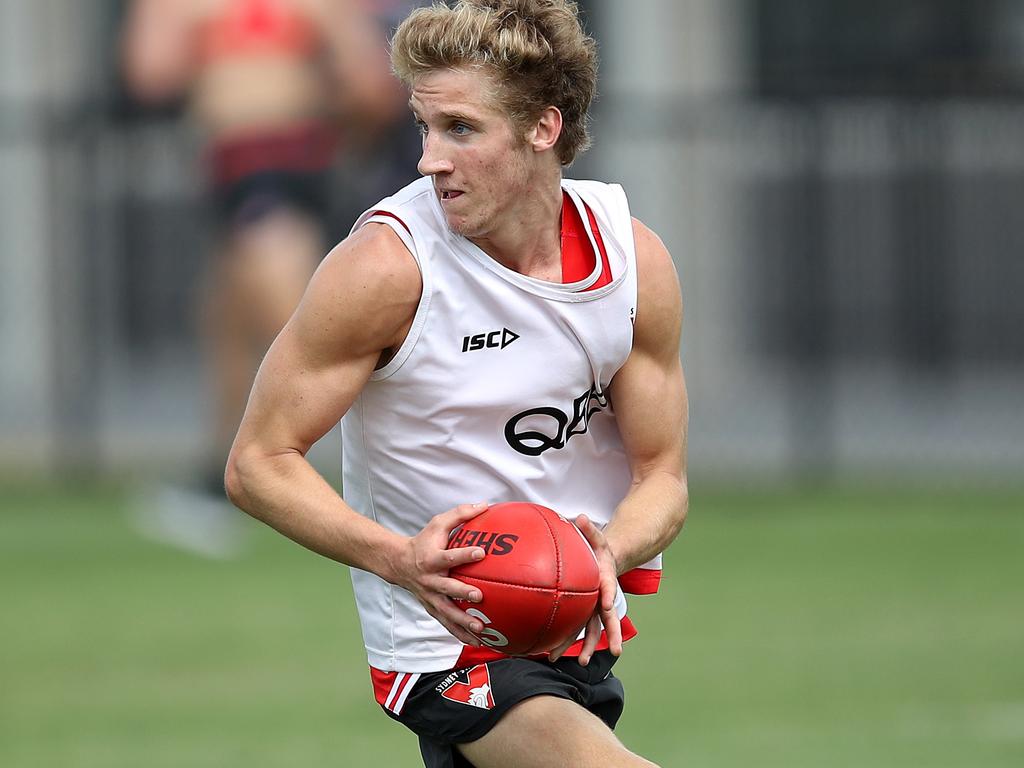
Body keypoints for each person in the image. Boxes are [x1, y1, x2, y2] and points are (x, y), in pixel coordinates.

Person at [226, 1, 688, 765]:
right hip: (441, 650)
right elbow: (256, 464)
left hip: (567, 629)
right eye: (424, 127)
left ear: (543, 128)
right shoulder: (387, 269)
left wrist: (603, 552)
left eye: (461, 130)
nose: (428, 159)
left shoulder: (632, 262)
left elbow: (663, 477)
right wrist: (401, 560)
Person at [120, 0, 404, 555]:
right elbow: (148, 73)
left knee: (293, 315)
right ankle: (215, 479)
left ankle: (378, 473)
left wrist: (321, 51)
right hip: (233, 160)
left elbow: (373, 85)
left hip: (283, 160)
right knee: (227, 319)